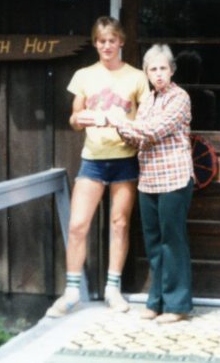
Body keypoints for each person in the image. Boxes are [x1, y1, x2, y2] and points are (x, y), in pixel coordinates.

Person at [46, 16, 149, 317]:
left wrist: (122, 124)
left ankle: (112, 289)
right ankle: (71, 292)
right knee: (78, 225)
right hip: (92, 159)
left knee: (120, 223)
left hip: (125, 159)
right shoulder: (83, 75)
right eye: (101, 41)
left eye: (112, 40)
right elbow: (75, 117)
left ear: (121, 42)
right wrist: (78, 120)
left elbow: (144, 121)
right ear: (95, 43)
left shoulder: (136, 77)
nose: (107, 46)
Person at [105, 44, 194, 324]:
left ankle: (177, 306)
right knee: (154, 243)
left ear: (172, 70)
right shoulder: (147, 102)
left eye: (163, 68)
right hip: (148, 180)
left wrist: (120, 120)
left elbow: (153, 131)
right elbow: (135, 139)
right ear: (146, 73)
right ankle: (155, 302)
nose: (158, 74)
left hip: (174, 178)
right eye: (153, 69)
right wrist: (119, 125)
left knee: (173, 242)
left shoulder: (180, 98)